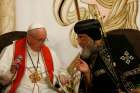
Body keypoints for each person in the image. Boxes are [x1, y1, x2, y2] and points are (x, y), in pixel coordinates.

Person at [73, 19, 140, 93]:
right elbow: (90, 88)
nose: (78, 42)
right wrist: (87, 73)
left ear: (94, 37)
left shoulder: (118, 42)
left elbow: (136, 74)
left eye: (82, 37)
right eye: (78, 37)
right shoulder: (87, 54)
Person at [0, 24, 68, 93]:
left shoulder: (50, 53)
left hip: (45, 89)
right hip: (21, 87)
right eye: (40, 40)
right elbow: (2, 78)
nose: (43, 43)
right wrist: (11, 71)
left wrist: (62, 76)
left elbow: (61, 71)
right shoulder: (12, 50)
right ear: (29, 38)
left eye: (44, 40)